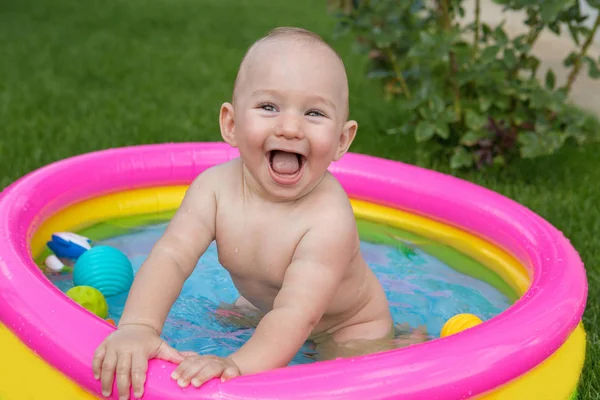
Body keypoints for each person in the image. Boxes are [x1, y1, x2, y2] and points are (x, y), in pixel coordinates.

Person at [92, 26, 427, 400]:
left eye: (314, 112)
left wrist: (237, 365)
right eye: (269, 107)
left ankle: (401, 343)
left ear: (342, 140)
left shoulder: (328, 218)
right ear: (231, 124)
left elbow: (298, 315)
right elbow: (171, 256)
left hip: (345, 325)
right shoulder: (213, 189)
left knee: (341, 383)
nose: (289, 127)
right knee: (231, 314)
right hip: (265, 306)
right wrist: (138, 326)